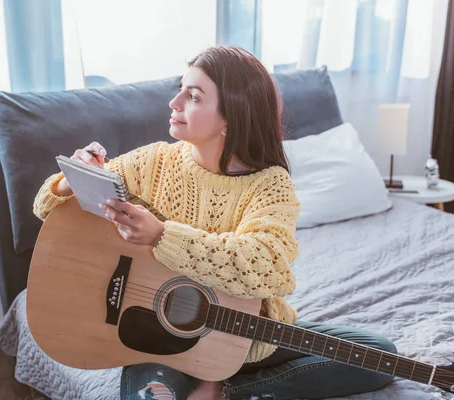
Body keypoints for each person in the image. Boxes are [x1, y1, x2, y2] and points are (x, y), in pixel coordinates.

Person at [32, 46, 397, 400]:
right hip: (157, 340)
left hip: (245, 339)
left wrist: (161, 235)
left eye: (192, 96)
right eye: (180, 91)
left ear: (231, 116)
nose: (173, 104)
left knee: (379, 357)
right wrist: (71, 178)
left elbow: (265, 263)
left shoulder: (270, 185)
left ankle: (227, 391)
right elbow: (50, 212)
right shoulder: (154, 162)